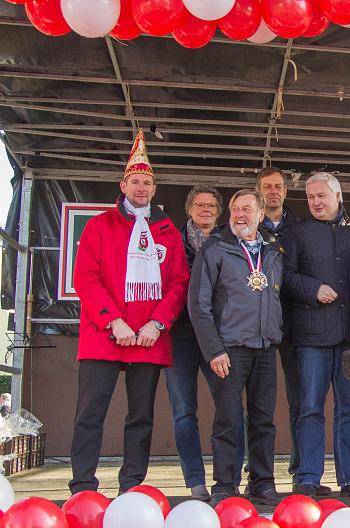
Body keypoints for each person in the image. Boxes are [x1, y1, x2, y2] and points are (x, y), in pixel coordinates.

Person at [69, 130, 189, 494]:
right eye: (135, 181)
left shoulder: (167, 230)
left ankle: (131, 485)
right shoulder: (99, 225)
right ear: (123, 184)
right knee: (90, 414)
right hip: (105, 334)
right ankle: (83, 486)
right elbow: (85, 278)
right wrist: (113, 320)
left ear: (154, 189)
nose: (141, 188)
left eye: (147, 183)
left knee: (141, 417)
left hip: (149, 337)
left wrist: (159, 322)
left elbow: (179, 282)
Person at [189, 189, 284, 506]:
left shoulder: (272, 252)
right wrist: (214, 350)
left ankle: (263, 483)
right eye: (235, 209)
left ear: (260, 215)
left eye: (247, 209)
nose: (240, 214)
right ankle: (225, 486)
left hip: (265, 347)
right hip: (229, 349)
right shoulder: (216, 249)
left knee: (263, 421)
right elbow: (198, 305)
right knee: (227, 420)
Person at [282, 172, 350, 497]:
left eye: (322, 196)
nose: (316, 202)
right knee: (310, 409)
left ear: (338, 196)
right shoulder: (297, 232)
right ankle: (307, 477)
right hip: (311, 336)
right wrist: (312, 288)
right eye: (310, 197)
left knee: (349, 410)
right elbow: (286, 276)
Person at [166, 184, 243, 501]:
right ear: (189, 209)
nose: (206, 210)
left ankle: (230, 480)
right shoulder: (170, 241)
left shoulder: (230, 241)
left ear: (219, 210)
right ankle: (195, 482)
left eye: (212, 205)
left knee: (229, 408)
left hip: (219, 335)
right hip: (180, 333)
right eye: (200, 205)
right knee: (183, 410)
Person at [255, 167, 303, 486]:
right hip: (257, 324)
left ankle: (300, 465)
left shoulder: (300, 227)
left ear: (285, 192)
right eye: (267, 187)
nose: (273, 191)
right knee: (258, 401)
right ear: (258, 191)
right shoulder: (246, 226)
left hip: (294, 323)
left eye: (278, 186)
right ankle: (258, 467)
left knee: (299, 399)